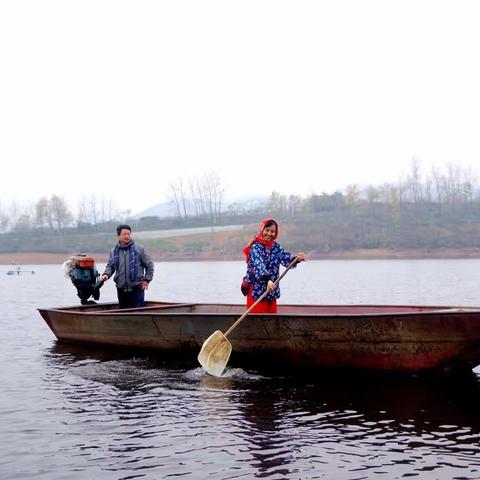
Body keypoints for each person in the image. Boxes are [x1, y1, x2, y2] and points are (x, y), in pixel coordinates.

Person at [241, 218, 305, 313]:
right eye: (267, 230)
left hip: (271, 290)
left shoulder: (276, 247)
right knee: (258, 322)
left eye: (272, 231)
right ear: (262, 230)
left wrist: (296, 259)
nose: (269, 234)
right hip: (257, 291)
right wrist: (268, 280)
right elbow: (259, 265)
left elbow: (284, 257)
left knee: (271, 321)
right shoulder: (255, 248)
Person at [100, 224, 154, 309]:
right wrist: (106, 274)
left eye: (128, 234)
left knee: (138, 315)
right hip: (121, 290)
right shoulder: (114, 251)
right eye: (124, 234)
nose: (127, 236)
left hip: (137, 289)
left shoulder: (139, 249)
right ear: (118, 236)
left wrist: (147, 280)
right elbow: (110, 266)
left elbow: (149, 266)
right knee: (124, 316)